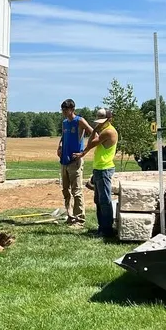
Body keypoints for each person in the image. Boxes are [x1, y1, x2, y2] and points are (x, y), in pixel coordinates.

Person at [81, 107, 118, 237]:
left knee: (105, 201)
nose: (99, 123)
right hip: (99, 168)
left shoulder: (108, 132)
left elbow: (91, 144)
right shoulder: (103, 130)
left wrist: (94, 130)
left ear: (110, 119)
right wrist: (95, 130)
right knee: (98, 200)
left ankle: (107, 230)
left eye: (102, 121)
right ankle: (101, 227)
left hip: (104, 169)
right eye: (99, 121)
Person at [56, 99, 92, 226]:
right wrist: (60, 146)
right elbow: (63, 137)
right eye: (62, 110)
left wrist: (84, 152)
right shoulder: (65, 123)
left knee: (76, 191)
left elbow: (93, 133)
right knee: (66, 190)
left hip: (75, 161)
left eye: (65, 110)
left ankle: (79, 219)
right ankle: (70, 215)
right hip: (64, 161)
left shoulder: (79, 121)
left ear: (72, 109)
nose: (63, 112)